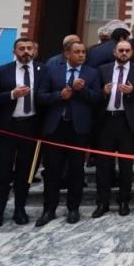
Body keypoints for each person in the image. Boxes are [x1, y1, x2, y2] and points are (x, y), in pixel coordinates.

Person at [35, 40, 100, 227]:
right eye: (77, 52)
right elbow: (40, 97)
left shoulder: (92, 73)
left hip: (78, 129)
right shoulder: (52, 71)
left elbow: (97, 98)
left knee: (76, 171)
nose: (81, 55)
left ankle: (73, 208)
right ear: (67, 54)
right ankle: (49, 209)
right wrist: (58, 96)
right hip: (56, 128)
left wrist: (82, 91)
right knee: (52, 170)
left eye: (83, 52)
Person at [0, 37, 47, 228]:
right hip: (7, 126)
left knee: (25, 170)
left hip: (30, 126)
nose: (26, 52)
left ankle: (20, 209)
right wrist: (11, 94)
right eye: (22, 48)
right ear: (15, 51)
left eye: (29, 48)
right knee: (3, 170)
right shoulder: (2, 71)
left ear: (35, 51)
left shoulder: (42, 70)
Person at [93, 40, 134, 218]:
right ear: (115, 52)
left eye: (127, 50)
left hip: (126, 122)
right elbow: (93, 96)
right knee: (103, 165)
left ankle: (124, 201)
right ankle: (103, 202)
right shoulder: (103, 70)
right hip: (106, 121)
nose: (124, 53)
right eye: (121, 50)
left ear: (131, 53)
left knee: (126, 166)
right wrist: (103, 92)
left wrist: (133, 91)